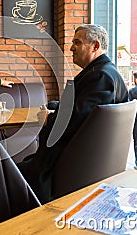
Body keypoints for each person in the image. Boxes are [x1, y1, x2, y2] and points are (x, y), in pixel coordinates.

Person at [18, 24, 128, 203]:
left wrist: (49, 117)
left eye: (77, 42)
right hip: (82, 155)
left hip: (73, 162)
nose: (71, 48)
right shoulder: (105, 72)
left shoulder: (101, 77)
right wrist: (55, 107)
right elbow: (82, 110)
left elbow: (74, 122)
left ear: (95, 46)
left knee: (13, 172)